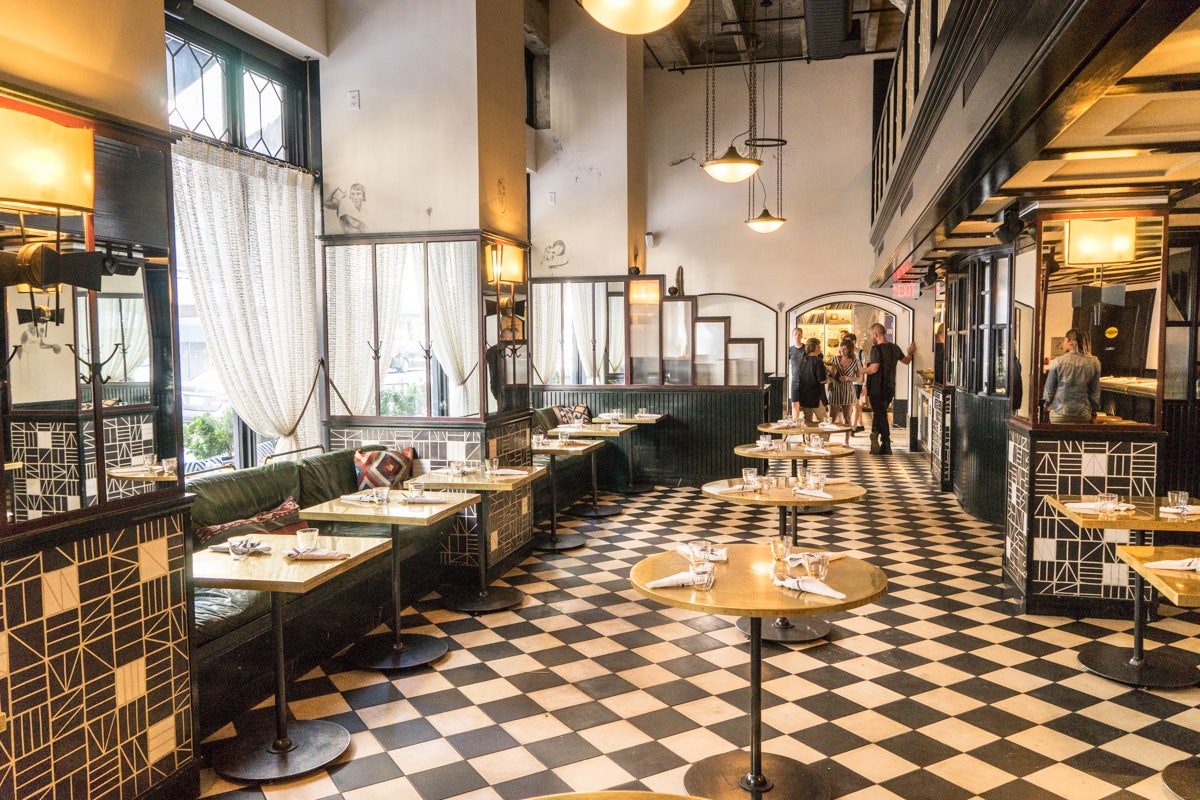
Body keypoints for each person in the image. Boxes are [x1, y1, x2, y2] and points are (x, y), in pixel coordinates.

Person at [863, 322, 915, 455]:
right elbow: (906, 361)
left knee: (880, 413)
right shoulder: (894, 347)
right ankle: (876, 436)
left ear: (875, 334)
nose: (871, 338)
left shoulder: (876, 349)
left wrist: (861, 370)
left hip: (877, 387)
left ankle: (885, 442)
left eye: (871, 335)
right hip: (890, 386)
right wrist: (910, 352)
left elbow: (874, 369)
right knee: (880, 412)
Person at [1042, 328, 1101, 423]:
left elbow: (1049, 389)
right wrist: (1094, 412)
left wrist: (1045, 406)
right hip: (1083, 413)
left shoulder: (1058, 361)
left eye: (1064, 340)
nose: (1063, 344)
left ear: (1071, 342)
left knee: (1058, 437)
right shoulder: (1094, 362)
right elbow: (1095, 391)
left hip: (1059, 412)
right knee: (1079, 437)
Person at [827, 339, 860, 446]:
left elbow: (858, 378)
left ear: (849, 350)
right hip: (835, 390)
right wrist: (831, 376)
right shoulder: (834, 359)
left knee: (847, 417)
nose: (842, 350)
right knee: (832, 416)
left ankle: (846, 440)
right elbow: (829, 374)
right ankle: (827, 438)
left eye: (844, 349)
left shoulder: (855, 361)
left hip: (848, 390)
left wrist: (847, 378)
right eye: (841, 348)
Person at [795, 338, 829, 425]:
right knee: (824, 421)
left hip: (804, 395)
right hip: (815, 396)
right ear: (816, 347)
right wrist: (828, 379)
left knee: (807, 421)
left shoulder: (802, 360)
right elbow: (822, 380)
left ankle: (809, 438)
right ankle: (823, 439)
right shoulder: (818, 361)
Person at [842, 332, 866, 434]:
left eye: (848, 341)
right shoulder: (845, 353)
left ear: (854, 341)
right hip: (847, 382)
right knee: (851, 404)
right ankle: (859, 424)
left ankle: (853, 427)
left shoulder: (861, 353)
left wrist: (865, 384)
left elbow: (865, 369)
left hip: (857, 382)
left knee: (855, 404)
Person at [787, 326, 805, 421]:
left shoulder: (806, 349)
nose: (797, 336)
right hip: (794, 379)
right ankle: (795, 423)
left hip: (806, 379)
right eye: (795, 334)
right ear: (792, 336)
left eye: (799, 334)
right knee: (794, 403)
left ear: (802, 336)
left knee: (807, 405)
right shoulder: (790, 350)